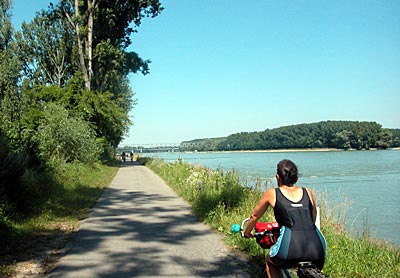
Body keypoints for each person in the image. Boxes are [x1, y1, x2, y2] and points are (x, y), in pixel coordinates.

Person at [244, 159, 326, 278]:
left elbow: (254, 216)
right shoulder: (308, 191)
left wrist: (247, 232)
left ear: (278, 177)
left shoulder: (272, 193)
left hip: (290, 246)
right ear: (296, 179)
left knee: (270, 259)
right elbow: (312, 217)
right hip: (318, 247)